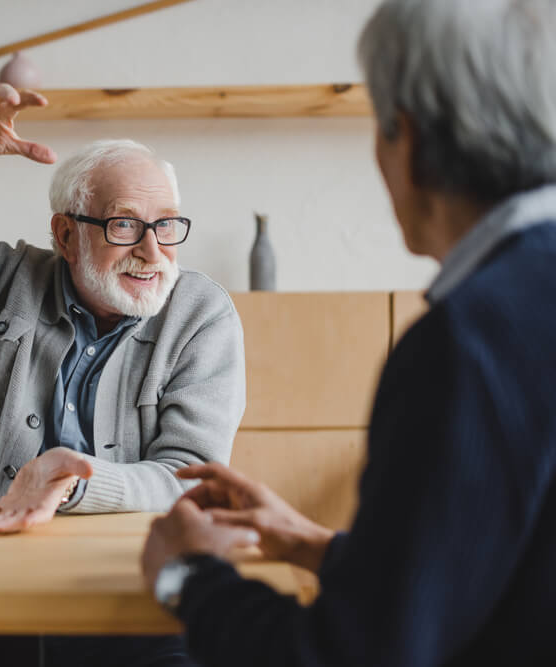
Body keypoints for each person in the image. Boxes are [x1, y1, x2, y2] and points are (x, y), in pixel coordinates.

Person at [140, 0, 556, 665]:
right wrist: (316, 544)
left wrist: (186, 574)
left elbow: (346, 653)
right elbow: (498, 571)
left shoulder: (465, 344)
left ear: (407, 140)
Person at [0, 86, 245, 665]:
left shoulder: (201, 316)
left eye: (166, 226)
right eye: (123, 226)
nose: (152, 250)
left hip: (135, 604)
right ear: (66, 234)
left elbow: (190, 480)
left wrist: (77, 482)